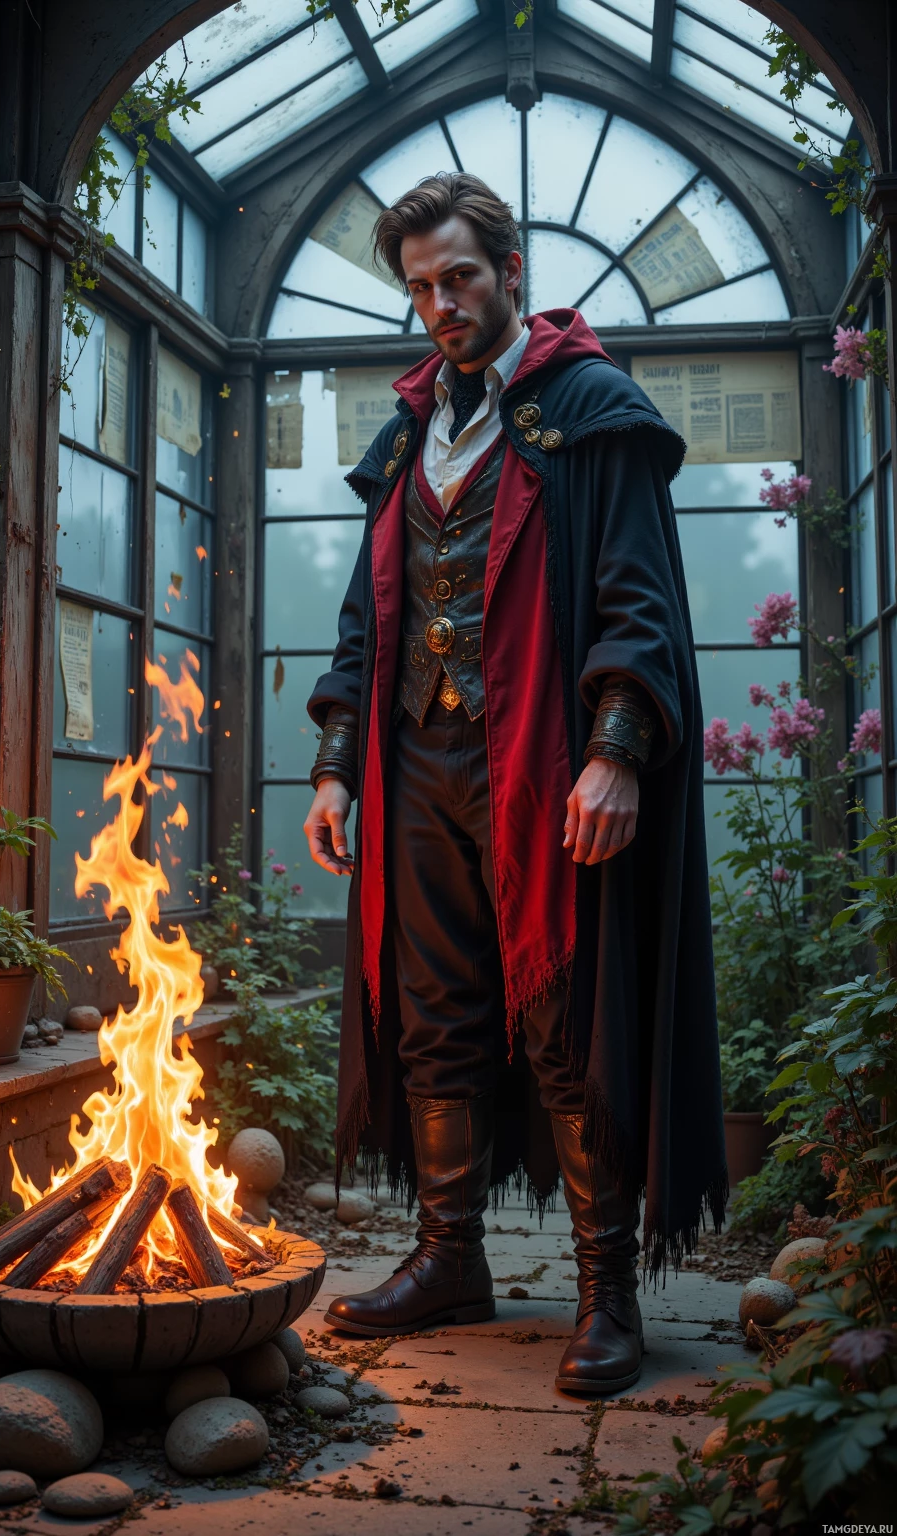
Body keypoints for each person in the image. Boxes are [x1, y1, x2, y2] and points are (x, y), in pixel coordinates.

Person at [303, 172, 726, 1396]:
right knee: (437, 1013)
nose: (440, 303)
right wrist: (335, 770)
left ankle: (606, 1297)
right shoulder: (408, 434)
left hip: (542, 761)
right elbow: (362, 619)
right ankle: (449, 1259)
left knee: (564, 1016)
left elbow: (638, 596)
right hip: (417, 763)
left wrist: (616, 750)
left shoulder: (591, 409)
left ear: (511, 273)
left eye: (460, 278)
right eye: (421, 286)